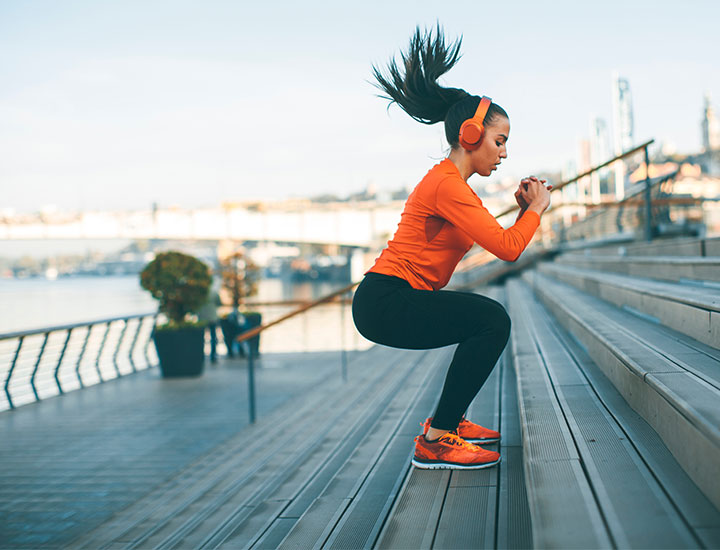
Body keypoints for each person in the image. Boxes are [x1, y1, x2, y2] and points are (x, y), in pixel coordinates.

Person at [351, 26, 552, 470]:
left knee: (483, 321)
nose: (503, 154)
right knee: (490, 320)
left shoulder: (454, 187)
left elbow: (502, 239)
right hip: (385, 300)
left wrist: (524, 214)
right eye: (499, 142)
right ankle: (437, 440)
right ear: (470, 134)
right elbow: (507, 249)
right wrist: (537, 209)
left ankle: (447, 425)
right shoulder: (447, 185)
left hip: (392, 297)